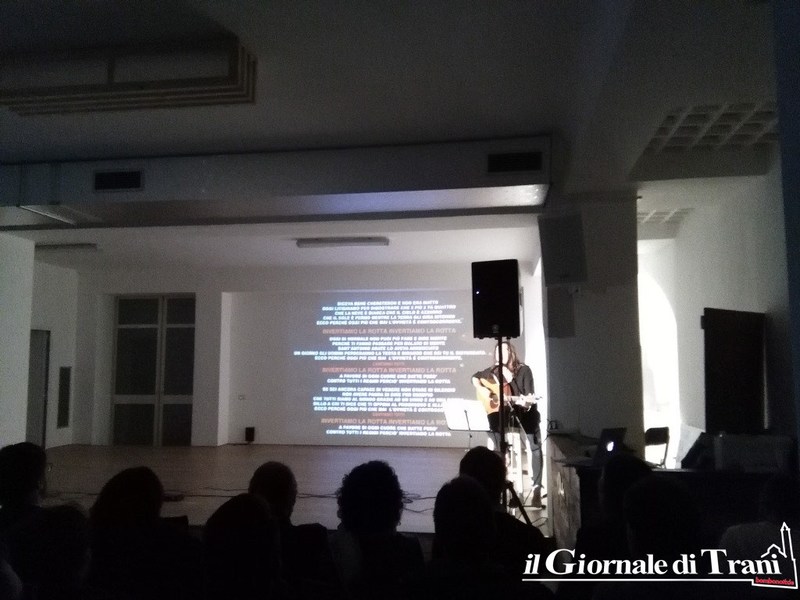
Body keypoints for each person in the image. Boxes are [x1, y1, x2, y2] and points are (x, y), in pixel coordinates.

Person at [472, 340, 542, 505]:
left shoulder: (524, 370)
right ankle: (501, 474)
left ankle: (537, 489)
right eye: (497, 351)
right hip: (504, 417)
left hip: (525, 414)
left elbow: (528, 398)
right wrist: (482, 389)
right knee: (493, 429)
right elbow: (474, 377)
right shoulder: (492, 372)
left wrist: (515, 387)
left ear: (511, 353)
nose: (500, 354)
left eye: (503, 350)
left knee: (535, 448)